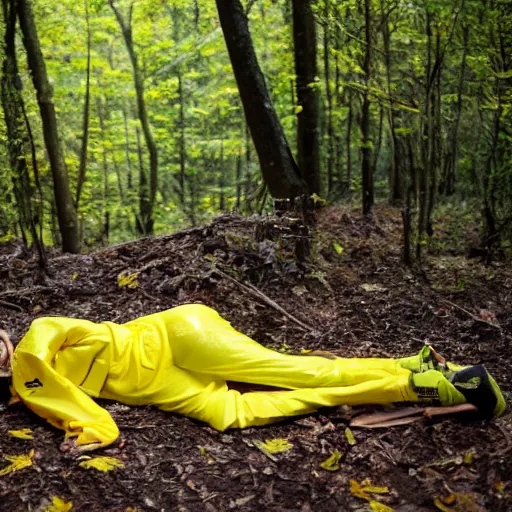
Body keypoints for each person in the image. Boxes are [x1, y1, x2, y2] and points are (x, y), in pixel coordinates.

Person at [0, 304, 506, 453]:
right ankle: (418, 384)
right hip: (154, 385)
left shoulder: (36, 341)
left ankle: (417, 368)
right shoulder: (26, 386)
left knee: (288, 369)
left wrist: (93, 429)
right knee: (231, 414)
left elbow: (41, 370)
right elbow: (58, 397)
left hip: (173, 337)